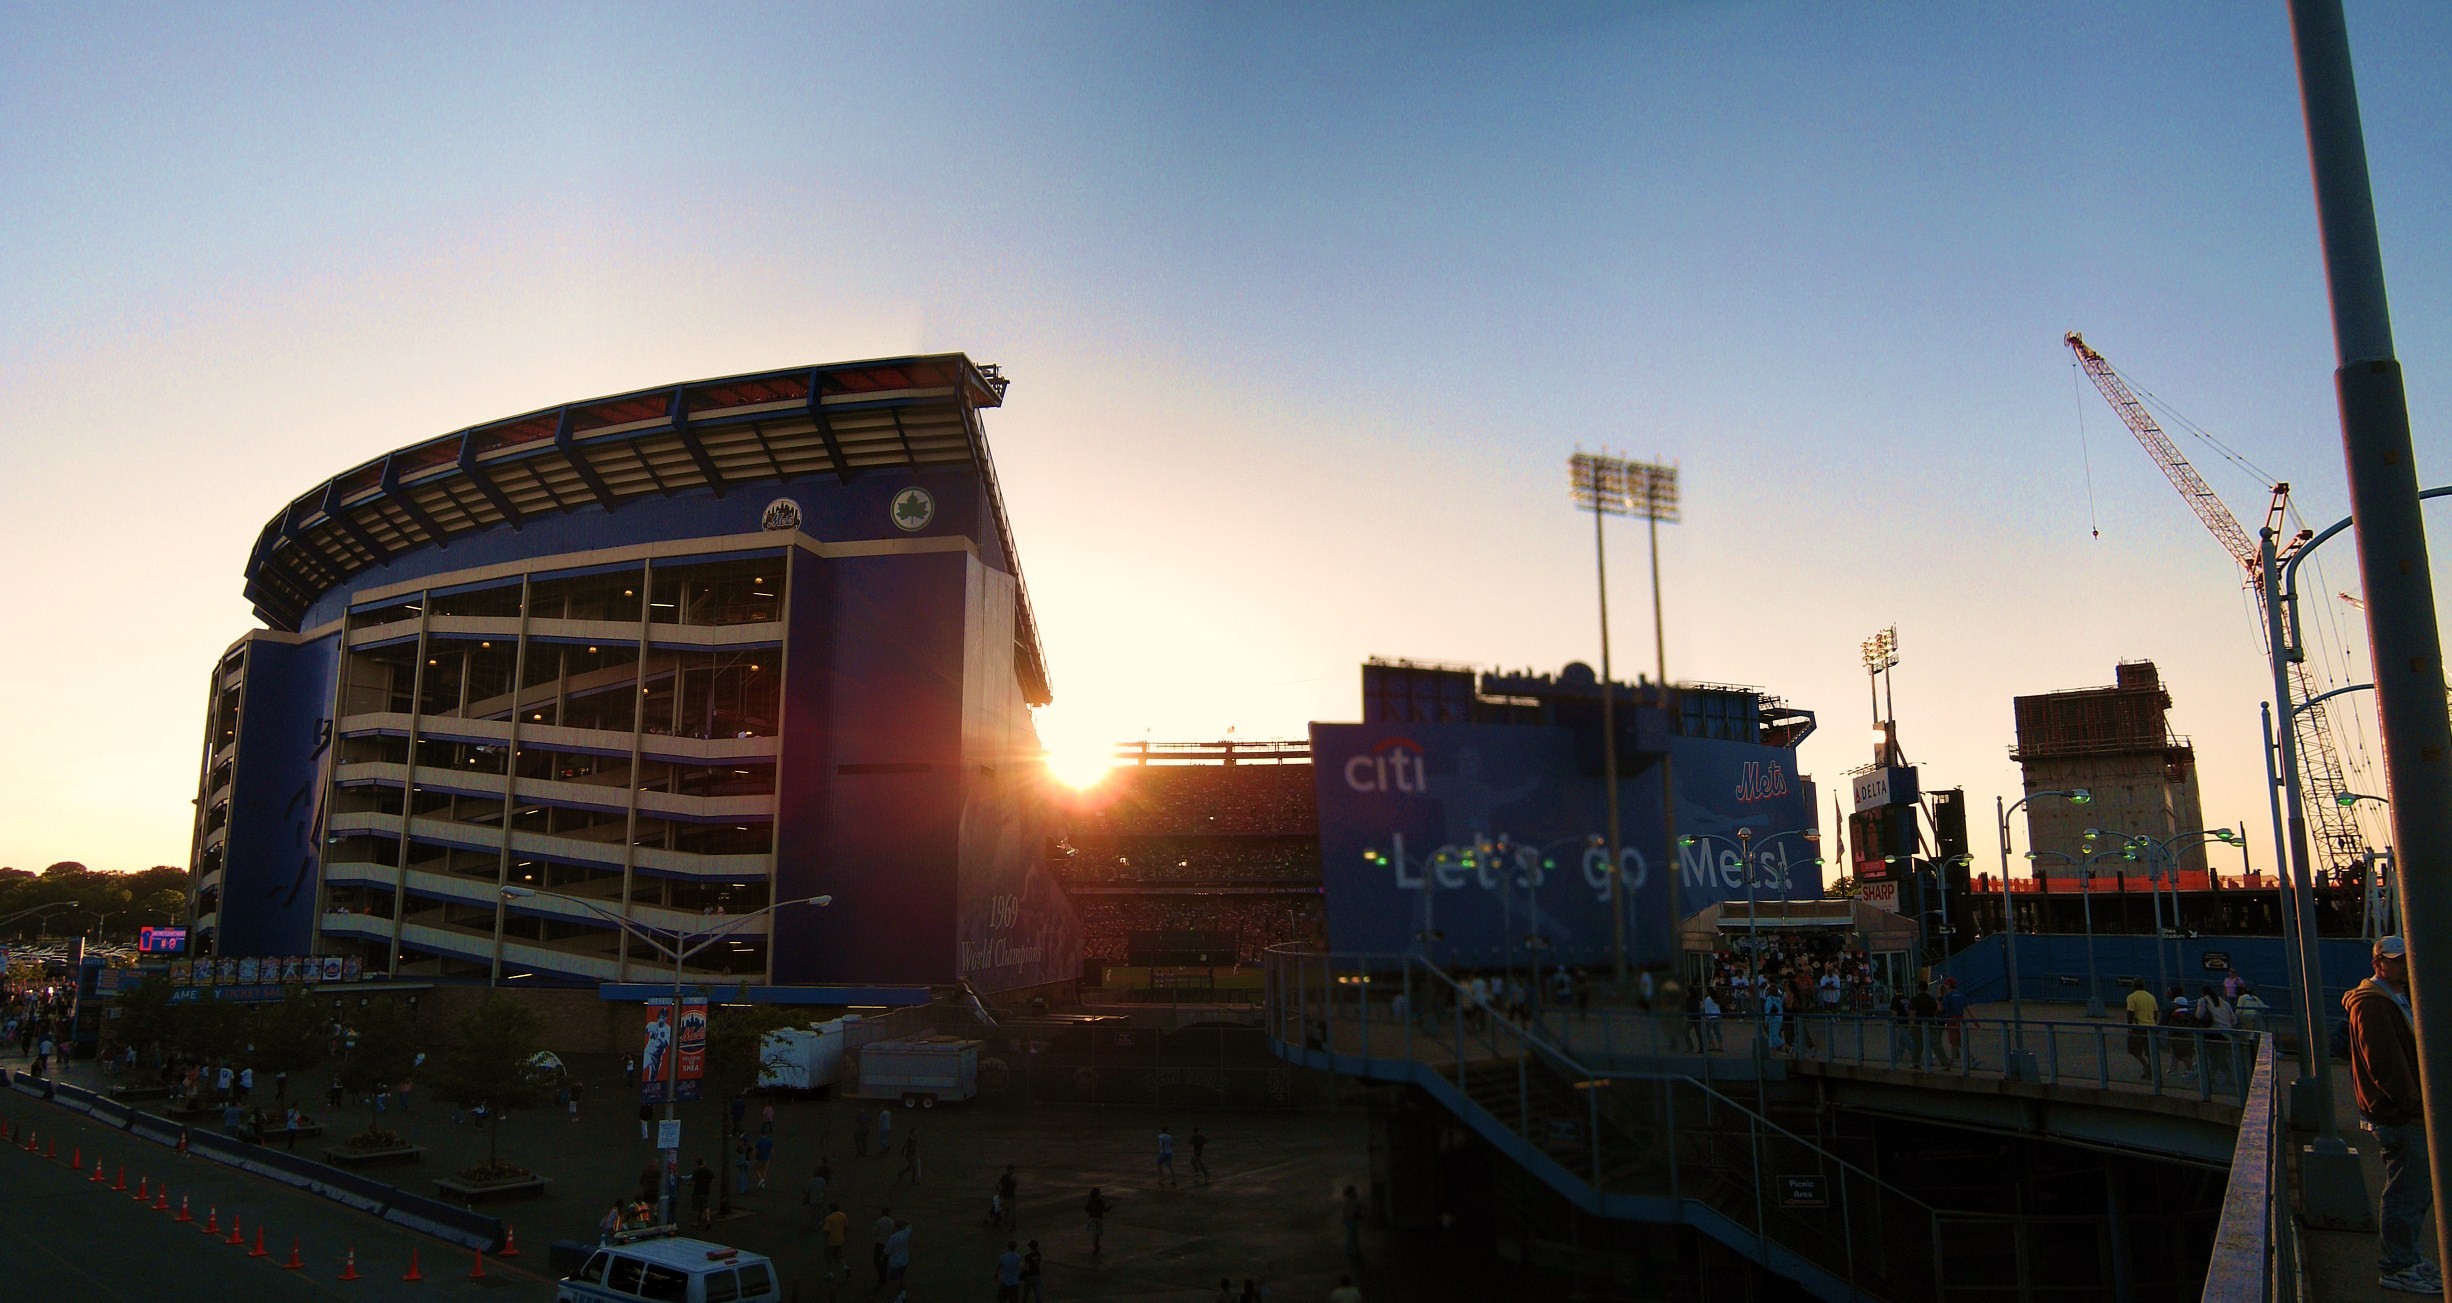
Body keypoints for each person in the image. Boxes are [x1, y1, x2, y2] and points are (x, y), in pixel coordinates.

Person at [2347, 935, 2443, 1293]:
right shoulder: (2373, 1004)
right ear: (2378, 963)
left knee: (2414, 1190)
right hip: (2400, 1116)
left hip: (2404, 1113)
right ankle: (2398, 1266)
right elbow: (2384, 1066)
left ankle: (2409, 1259)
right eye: (2396, 960)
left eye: (2406, 959)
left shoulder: (2394, 999)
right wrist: (2418, 1107)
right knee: (2407, 1191)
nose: (2403, 965)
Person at [2124, 981, 2159, 1079]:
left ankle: (2146, 1066)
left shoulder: (2131, 997)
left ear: (2133, 986)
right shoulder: (2151, 997)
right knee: (2150, 1051)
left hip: (2138, 1027)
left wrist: (2129, 1026)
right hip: (2151, 1027)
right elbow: (2156, 1013)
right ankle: (2152, 1070)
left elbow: (2130, 1013)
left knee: (2133, 1050)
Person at [1908, 981, 1940, 1069]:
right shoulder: (1931, 999)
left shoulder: (1915, 999)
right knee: (1935, 1044)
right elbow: (1935, 1011)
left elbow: (1912, 1014)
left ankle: (1916, 1062)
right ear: (1927, 988)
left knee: (1918, 1044)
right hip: (1930, 1023)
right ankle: (1944, 1062)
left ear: (1918, 988)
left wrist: (1910, 1027)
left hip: (1918, 1025)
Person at [821, 1201, 849, 1279]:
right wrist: (843, 1234)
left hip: (831, 1241)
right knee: (839, 1256)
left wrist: (826, 1241)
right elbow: (846, 1226)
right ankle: (845, 1267)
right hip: (840, 1240)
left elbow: (827, 1231)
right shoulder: (843, 1215)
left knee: (828, 1258)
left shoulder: (829, 1218)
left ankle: (830, 1274)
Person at [872, 1207, 897, 1287]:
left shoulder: (880, 1221)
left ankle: (882, 1274)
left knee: (876, 1260)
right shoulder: (892, 1222)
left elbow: (874, 1231)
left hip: (880, 1243)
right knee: (885, 1261)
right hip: (888, 1244)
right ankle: (884, 1274)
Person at [1084, 1186, 1110, 1254]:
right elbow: (1104, 1209)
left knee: (1094, 1234)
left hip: (1092, 1218)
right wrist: (1109, 1208)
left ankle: (1096, 1247)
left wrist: (1091, 1211)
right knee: (1097, 1234)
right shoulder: (1099, 1201)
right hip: (1099, 1218)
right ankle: (1096, 1247)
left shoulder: (1090, 1200)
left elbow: (1086, 1208)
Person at [690, 1157, 714, 1229]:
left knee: (696, 1207)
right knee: (706, 1206)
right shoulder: (708, 1171)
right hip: (706, 1191)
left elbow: (693, 1182)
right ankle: (708, 1219)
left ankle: (696, 1221)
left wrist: (689, 1184)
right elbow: (712, 1179)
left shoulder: (696, 1172)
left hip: (697, 1191)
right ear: (703, 1163)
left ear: (697, 1164)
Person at [1342, 1184, 1365, 1260]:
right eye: (1352, 1192)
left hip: (1351, 1220)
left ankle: (1354, 1249)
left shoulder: (1351, 1200)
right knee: (1350, 1235)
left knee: (1353, 1235)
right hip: (1350, 1220)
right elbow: (1348, 1211)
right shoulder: (1350, 1200)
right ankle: (1348, 1250)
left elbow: (1352, 1210)